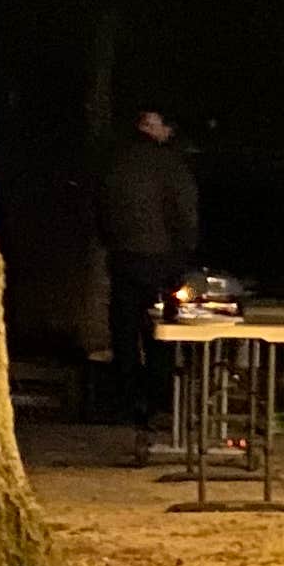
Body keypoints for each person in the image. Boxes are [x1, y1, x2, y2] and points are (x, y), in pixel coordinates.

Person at [97, 106, 201, 445]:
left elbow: (101, 208)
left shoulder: (117, 161)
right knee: (163, 331)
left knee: (125, 331)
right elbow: (184, 213)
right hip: (162, 260)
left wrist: (112, 243)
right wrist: (183, 253)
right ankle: (160, 401)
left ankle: (128, 400)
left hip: (124, 256)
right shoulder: (170, 164)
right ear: (161, 129)